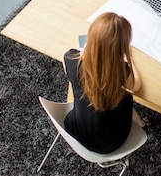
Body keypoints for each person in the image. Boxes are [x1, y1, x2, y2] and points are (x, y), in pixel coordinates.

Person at [63, 12, 147, 154]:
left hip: (75, 128)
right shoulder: (119, 71)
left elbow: (69, 74)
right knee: (125, 97)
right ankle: (141, 123)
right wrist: (128, 59)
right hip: (108, 141)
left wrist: (85, 53)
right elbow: (137, 86)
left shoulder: (70, 57)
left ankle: (140, 122)